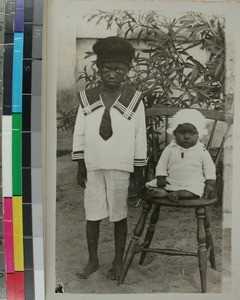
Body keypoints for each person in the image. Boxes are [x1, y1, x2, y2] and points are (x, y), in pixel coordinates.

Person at [72, 36, 147, 280]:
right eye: (106, 68)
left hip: (121, 164)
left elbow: (139, 135)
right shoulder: (87, 97)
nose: (112, 74)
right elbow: (80, 131)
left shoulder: (134, 99)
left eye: (119, 69)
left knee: (119, 214)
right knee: (92, 213)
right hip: (94, 164)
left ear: (127, 70)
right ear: (98, 68)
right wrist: (81, 163)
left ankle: (117, 260)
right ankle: (93, 260)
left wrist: (138, 168)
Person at [146, 109, 216, 202]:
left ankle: (171, 194)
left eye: (192, 133)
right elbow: (162, 164)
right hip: (171, 181)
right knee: (150, 187)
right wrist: (161, 177)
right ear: (174, 133)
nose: (187, 137)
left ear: (199, 134)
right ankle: (168, 193)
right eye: (182, 132)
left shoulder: (201, 151)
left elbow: (209, 168)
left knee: (196, 190)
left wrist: (210, 183)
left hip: (192, 184)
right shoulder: (170, 148)